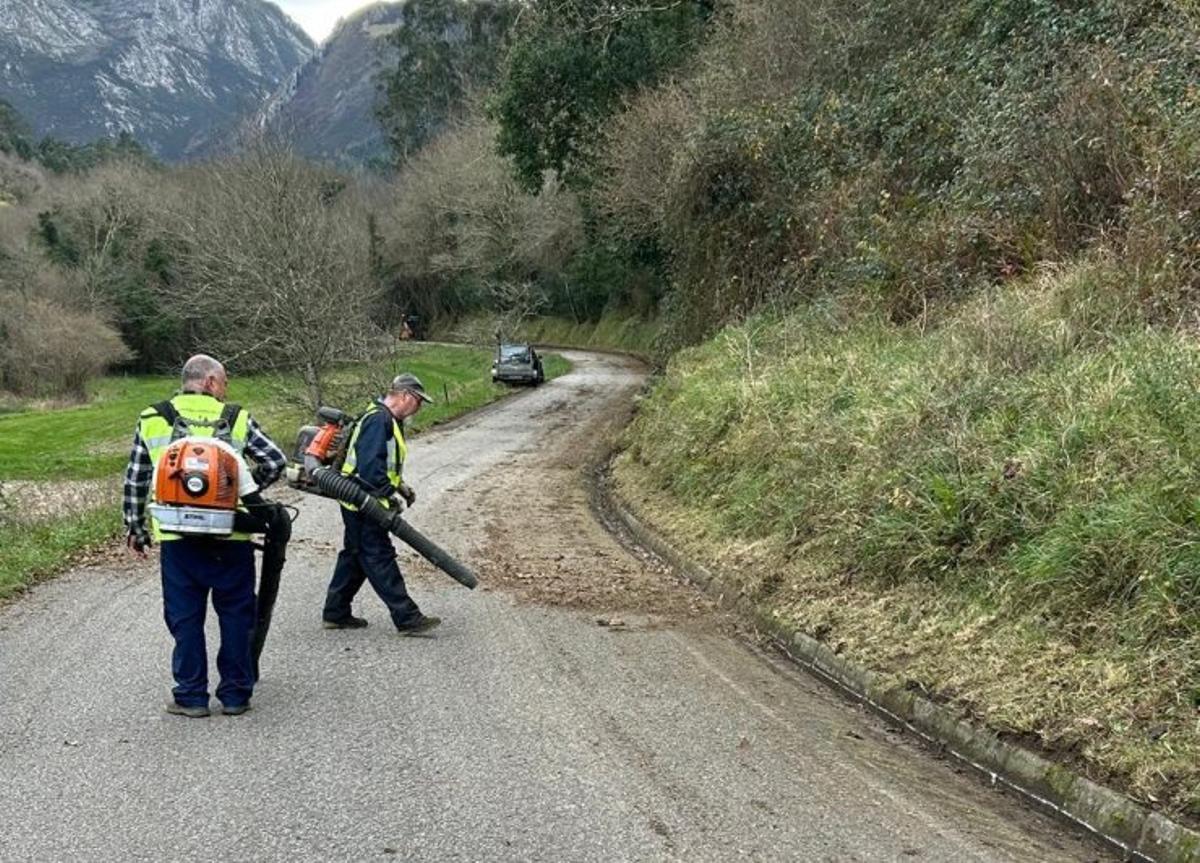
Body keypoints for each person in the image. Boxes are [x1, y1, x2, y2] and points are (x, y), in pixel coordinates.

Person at [123, 354, 287, 718]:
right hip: (230, 537)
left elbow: (136, 477)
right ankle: (235, 695)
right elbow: (274, 460)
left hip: (178, 539)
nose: (225, 389)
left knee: (185, 618)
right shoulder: (236, 418)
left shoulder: (153, 418)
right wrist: (238, 492)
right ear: (210, 382)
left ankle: (191, 696)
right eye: (224, 382)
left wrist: (135, 527)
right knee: (236, 614)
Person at [322, 373, 441, 635]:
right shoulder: (379, 420)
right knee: (379, 556)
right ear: (405, 396)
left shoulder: (382, 417)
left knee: (355, 556)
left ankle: (335, 612)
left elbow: (381, 461)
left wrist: (401, 485)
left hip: (357, 501)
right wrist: (389, 496)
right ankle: (408, 618)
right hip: (365, 503)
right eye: (418, 402)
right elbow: (370, 468)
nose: (418, 408)